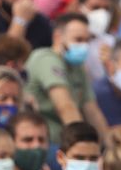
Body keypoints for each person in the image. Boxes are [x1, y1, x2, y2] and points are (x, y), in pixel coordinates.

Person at [24, 13, 110, 141]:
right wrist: (83, 142)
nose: (84, 46)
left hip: (64, 139)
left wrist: (109, 144)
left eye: (87, 41)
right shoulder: (46, 59)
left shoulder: (77, 67)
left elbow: (92, 110)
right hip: (42, 140)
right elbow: (65, 107)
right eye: (78, 40)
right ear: (58, 37)